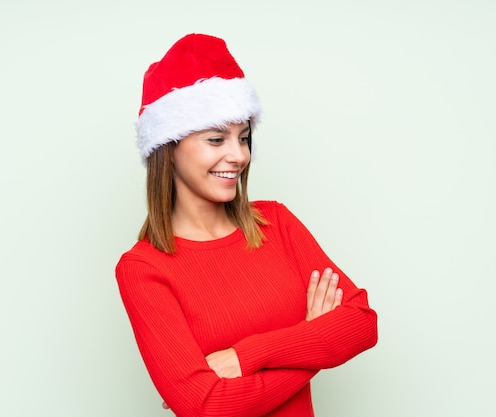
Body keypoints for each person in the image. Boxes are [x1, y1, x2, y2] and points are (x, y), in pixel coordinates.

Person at [115, 33, 378, 417]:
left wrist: (247, 356)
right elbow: (207, 407)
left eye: (243, 137)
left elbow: (361, 323)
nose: (238, 155)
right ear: (168, 149)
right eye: (216, 138)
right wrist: (315, 338)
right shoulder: (143, 270)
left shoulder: (277, 223)